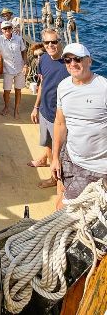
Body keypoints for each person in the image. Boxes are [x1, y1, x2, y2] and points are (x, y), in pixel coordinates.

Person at [50, 43, 107, 208]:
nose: (72, 64)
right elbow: (60, 123)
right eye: (68, 60)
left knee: (67, 209)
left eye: (77, 59)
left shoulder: (103, 88)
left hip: (97, 167)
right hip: (70, 157)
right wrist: (55, 158)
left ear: (89, 61)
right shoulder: (64, 86)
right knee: (60, 197)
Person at [27, 28, 68, 188]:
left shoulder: (68, 65)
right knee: (48, 143)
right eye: (47, 42)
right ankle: (46, 161)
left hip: (58, 116)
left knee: (57, 149)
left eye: (54, 42)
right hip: (44, 111)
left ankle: (54, 179)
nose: (51, 45)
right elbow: (43, 84)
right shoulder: (43, 59)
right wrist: (36, 107)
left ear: (60, 42)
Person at [0, 21, 28, 118]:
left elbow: (24, 51)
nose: (7, 30)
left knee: (18, 90)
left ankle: (16, 110)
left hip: (19, 68)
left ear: (12, 28)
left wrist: (25, 64)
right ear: (1, 30)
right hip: (8, 69)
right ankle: (6, 107)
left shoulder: (18, 39)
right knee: (6, 91)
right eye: (5, 29)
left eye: (9, 28)